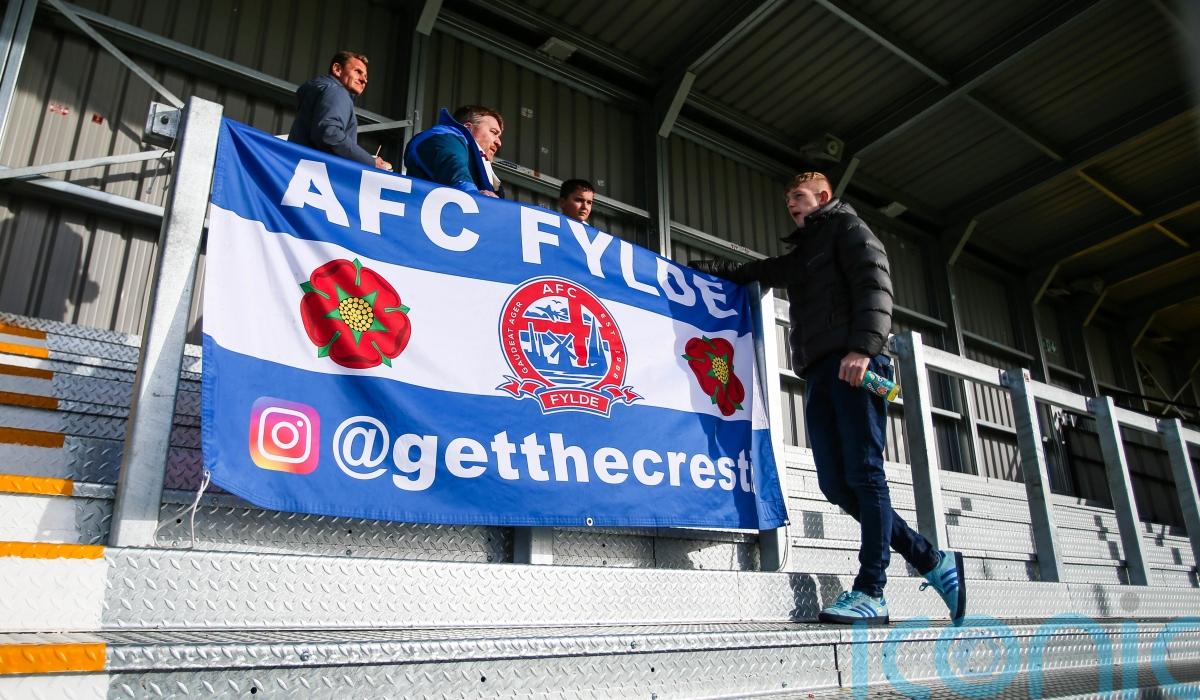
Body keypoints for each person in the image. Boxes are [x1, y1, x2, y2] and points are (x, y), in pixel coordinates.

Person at [691, 172, 966, 626]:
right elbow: (759, 271)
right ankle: (930, 560)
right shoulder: (807, 251)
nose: (791, 204)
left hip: (855, 364)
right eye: (787, 199)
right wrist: (699, 268)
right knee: (835, 485)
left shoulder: (849, 229)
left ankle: (872, 590)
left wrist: (864, 348)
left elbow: (875, 286)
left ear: (823, 197)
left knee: (865, 474)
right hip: (820, 372)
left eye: (798, 197)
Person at [288, 51, 391, 171]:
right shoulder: (337, 91)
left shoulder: (321, 91)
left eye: (366, 76)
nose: (364, 80)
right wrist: (370, 162)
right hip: (316, 173)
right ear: (337, 69)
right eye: (358, 71)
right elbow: (330, 134)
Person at [403, 105, 504, 198]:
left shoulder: (479, 165)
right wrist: (473, 195)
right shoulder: (444, 136)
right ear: (468, 128)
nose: (498, 142)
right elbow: (453, 164)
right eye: (493, 132)